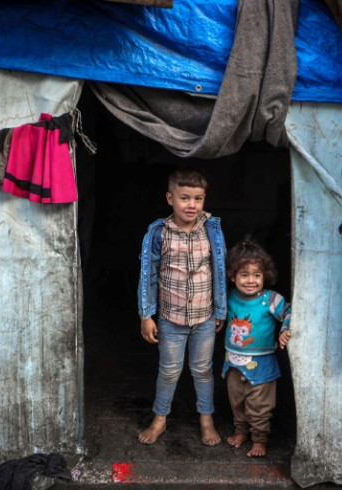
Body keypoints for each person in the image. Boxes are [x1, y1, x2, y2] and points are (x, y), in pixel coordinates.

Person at [137, 168, 227, 446]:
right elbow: (147, 274)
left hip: (204, 317)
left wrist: (220, 309)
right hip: (170, 318)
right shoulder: (158, 232)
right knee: (169, 371)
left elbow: (220, 269)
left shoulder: (211, 229)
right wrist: (146, 314)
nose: (192, 205)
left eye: (198, 199)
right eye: (184, 198)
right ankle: (160, 419)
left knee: (202, 370)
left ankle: (206, 420)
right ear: (170, 198)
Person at [222, 236, 291, 457]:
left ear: (265, 276)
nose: (250, 280)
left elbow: (290, 312)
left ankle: (259, 440)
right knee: (237, 401)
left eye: (257, 275)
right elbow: (217, 312)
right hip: (233, 362)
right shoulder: (230, 297)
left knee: (260, 405)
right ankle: (241, 431)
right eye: (244, 275)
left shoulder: (270, 299)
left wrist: (284, 330)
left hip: (262, 365)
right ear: (233, 276)